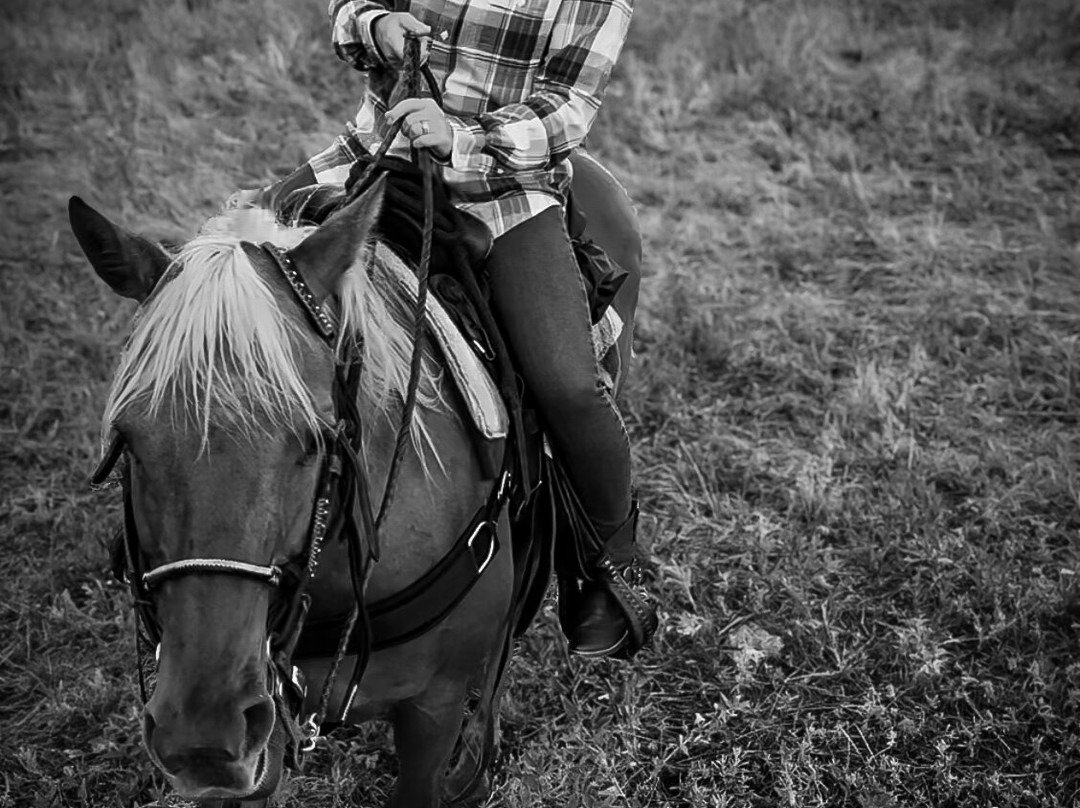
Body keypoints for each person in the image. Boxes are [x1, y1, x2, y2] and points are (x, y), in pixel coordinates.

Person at [258, 0, 652, 657]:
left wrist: (461, 139)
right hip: (372, 154)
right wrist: (375, 28)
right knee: (226, 279)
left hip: (504, 192)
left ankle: (607, 563)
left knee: (567, 383)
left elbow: (569, 106)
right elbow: (350, 10)